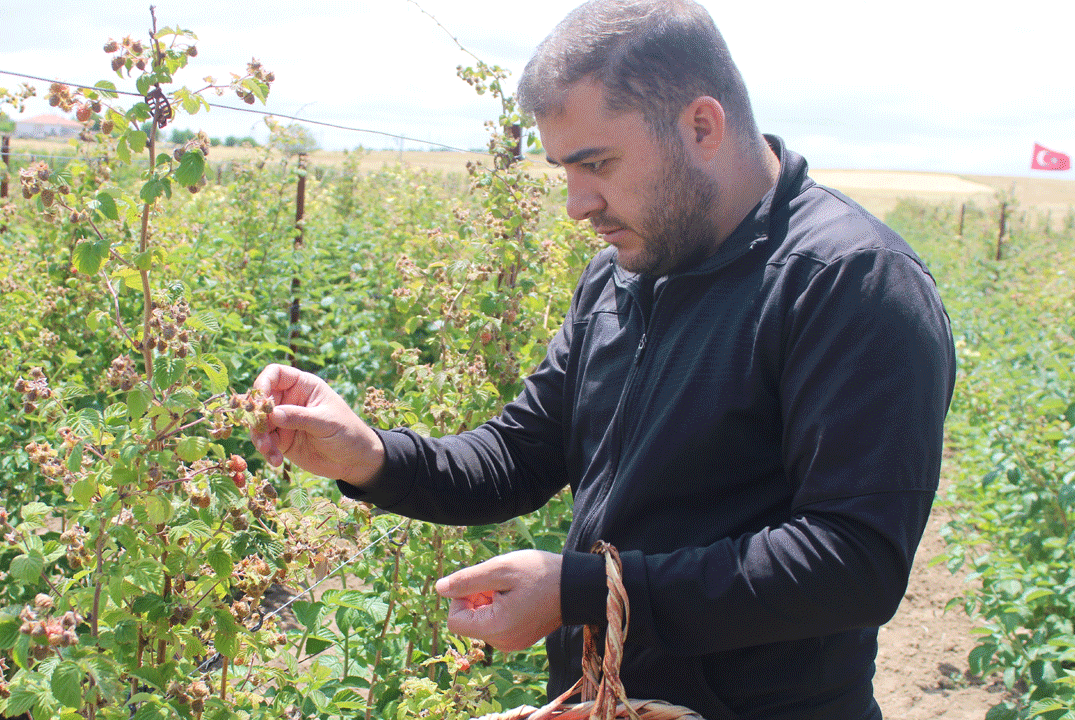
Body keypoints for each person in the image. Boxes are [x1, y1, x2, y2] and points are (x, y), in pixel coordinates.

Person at [250, 0, 956, 717]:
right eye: (564, 169)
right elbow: (520, 454)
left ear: (702, 127)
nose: (577, 204)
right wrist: (368, 456)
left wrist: (582, 592)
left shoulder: (847, 282)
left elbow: (853, 564)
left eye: (597, 164)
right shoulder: (624, 275)